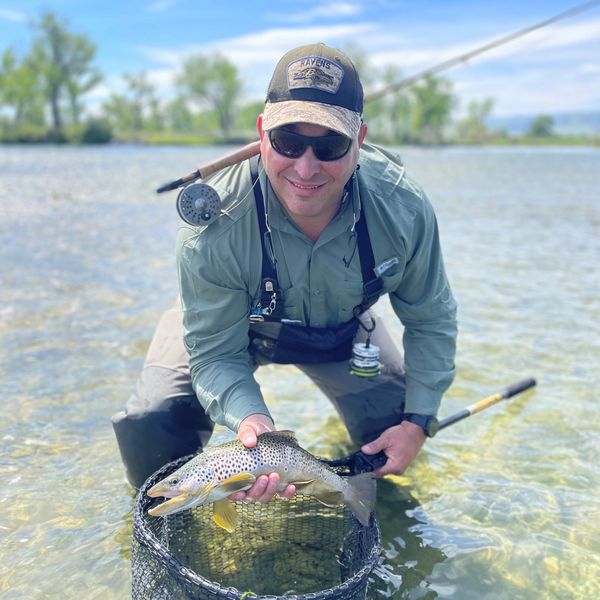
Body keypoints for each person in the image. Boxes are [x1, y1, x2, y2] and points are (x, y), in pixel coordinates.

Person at [112, 43, 457, 502]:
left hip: (340, 330)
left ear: (359, 140)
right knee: (150, 426)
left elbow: (431, 319)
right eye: (288, 142)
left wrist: (417, 422)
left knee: (392, 429)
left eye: (330, 145)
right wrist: (253, 422)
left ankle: (354, 479)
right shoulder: (213, 225)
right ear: (262, 133)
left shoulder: (403, 208)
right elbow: (215, 353)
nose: (306, 168)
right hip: (225, 324)